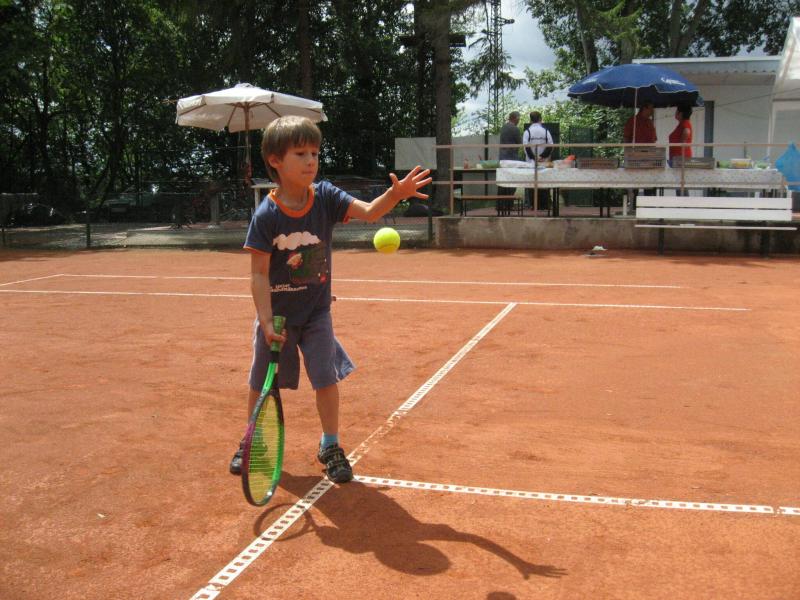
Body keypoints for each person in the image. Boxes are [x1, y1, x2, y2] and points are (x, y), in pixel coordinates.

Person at [230, 115, 431, 483]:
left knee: (325, 378)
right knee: (262, 381)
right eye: (300, 154)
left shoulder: (325, 196)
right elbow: (258, 274)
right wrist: (266, 320)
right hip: (277, 317)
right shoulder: (266, 215)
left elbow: (370, 211)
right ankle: (252, 440)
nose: (311, 161)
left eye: (314, 153)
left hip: (316, 313)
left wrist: (395, 195)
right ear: (275, 161)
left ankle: (330, 444)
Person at [522, 111, 554, 210]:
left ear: (530, 120)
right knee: (543, 183)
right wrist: (542, 156)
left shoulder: (527, 132)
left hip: (531, 163)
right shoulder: (546, 131)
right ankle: (544, 205)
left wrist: (534, 158)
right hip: (544, 162)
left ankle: (534, 205)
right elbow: (551, 146)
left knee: (532, 184)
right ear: (540, 119)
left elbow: (526, 147)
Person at [497, 111, 522, 215]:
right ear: (515, 118)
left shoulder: (503, 127)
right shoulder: (515, 129)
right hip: (511, 158)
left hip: (502, 157)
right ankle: (509, 205)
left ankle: (500, 205)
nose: (519, 120)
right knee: (512, 181)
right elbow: (520, 143)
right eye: (519, 118)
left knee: (502, 182)